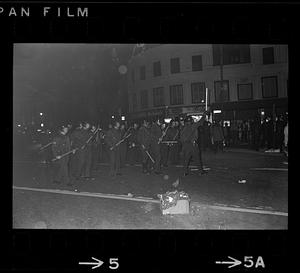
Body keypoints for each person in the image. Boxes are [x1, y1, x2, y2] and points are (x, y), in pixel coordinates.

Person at [180, 112, 208, 176]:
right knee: (197, 158)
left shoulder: (183, 128)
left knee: (186, 159)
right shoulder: (193, 126)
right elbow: (200, 122)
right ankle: (201, 171)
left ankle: (185, 172)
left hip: (185, 145)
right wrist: (204, 115)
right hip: (193, 145)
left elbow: (181, 138)